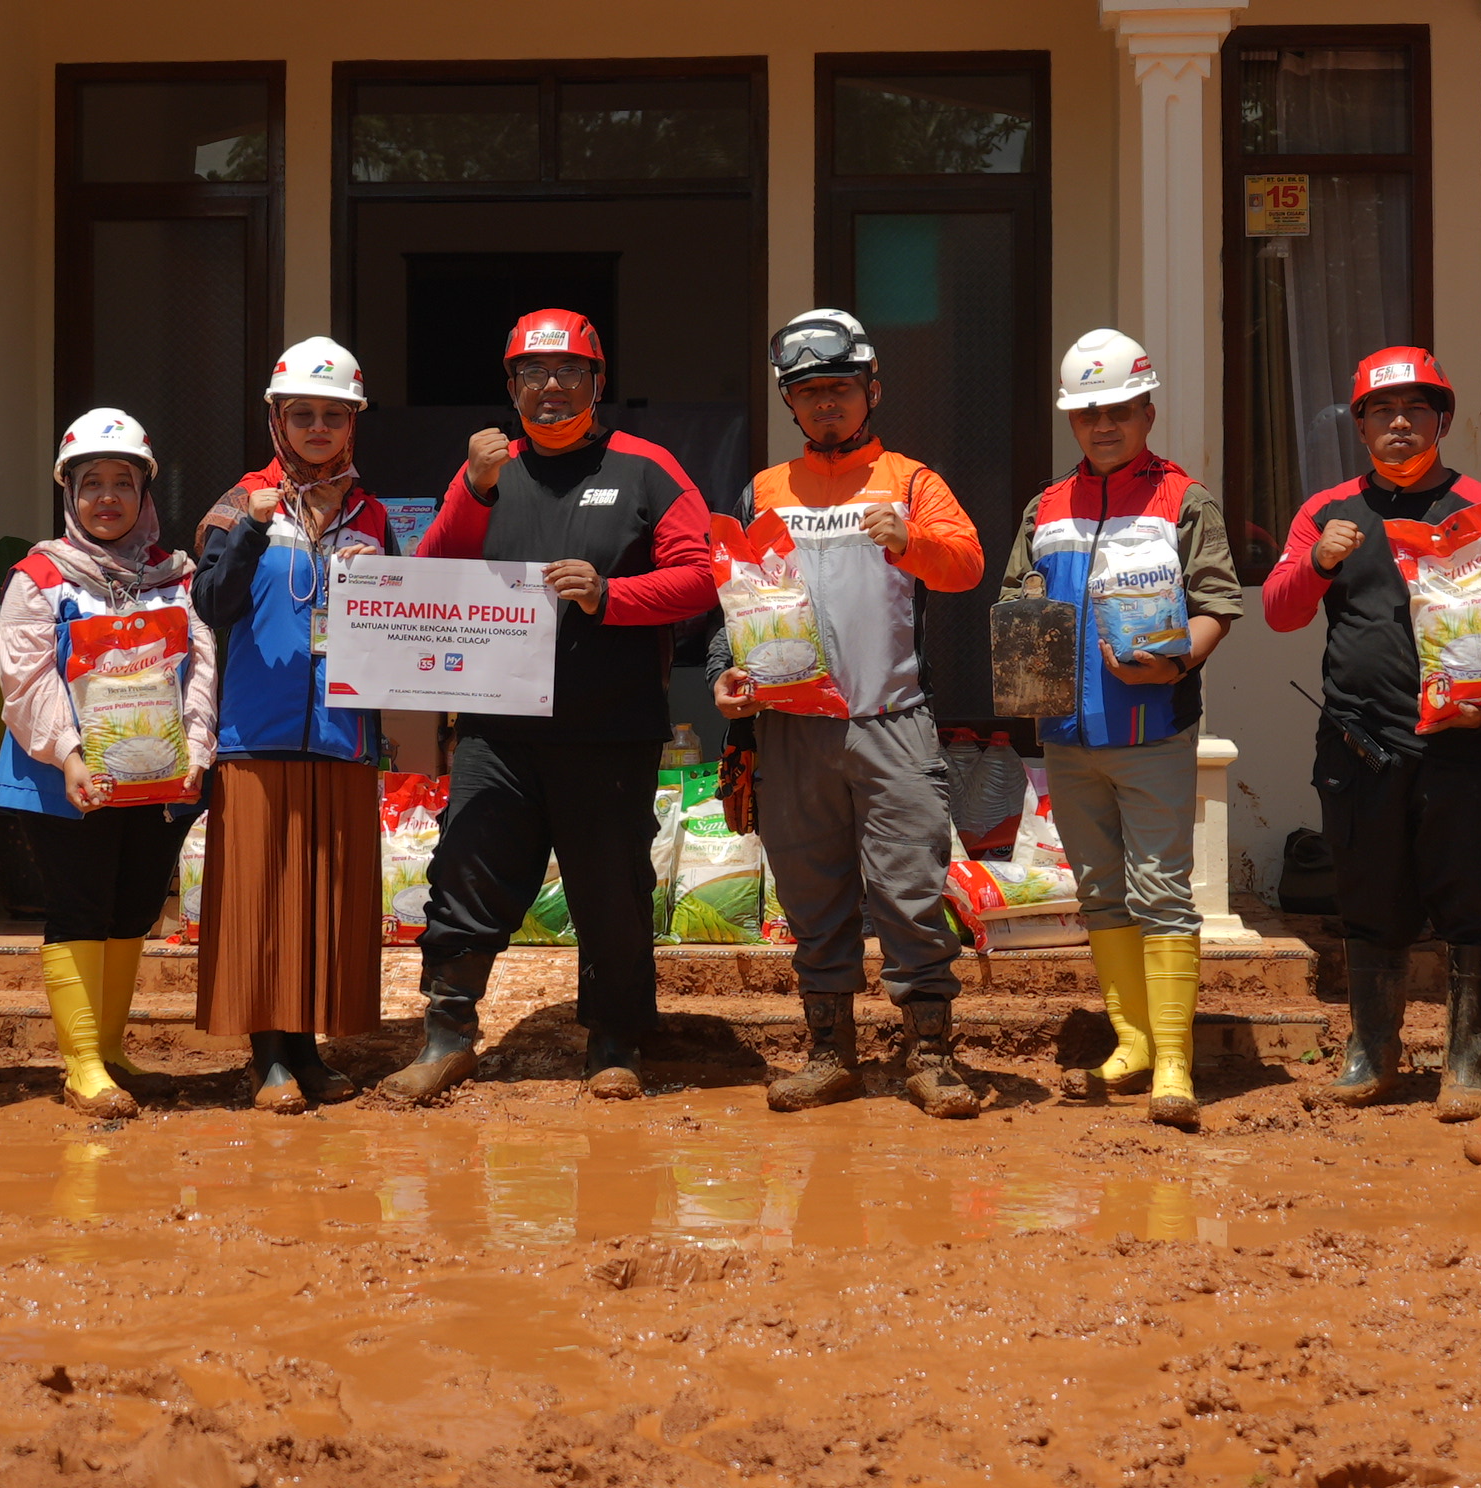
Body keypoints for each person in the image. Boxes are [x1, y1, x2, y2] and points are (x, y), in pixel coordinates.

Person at [387, 309, 714, 1104]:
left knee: (610, 887)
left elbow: (702, 577)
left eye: (570, 371)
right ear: (511, 387)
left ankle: (612, 1041)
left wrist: (613, 594)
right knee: (465, 869)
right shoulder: (489, 474)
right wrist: (472, 486)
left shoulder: (647, 469)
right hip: (497, 731)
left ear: (598, 383)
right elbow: (427, 575)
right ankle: (448, 1034)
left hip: (609, 728)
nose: (552, 387)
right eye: (532, 374)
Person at [1263, 347, 1481, 1121]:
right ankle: (1372, 1051)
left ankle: (1467, 1061)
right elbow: (1280, 610)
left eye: (1416, 410)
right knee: (1369, 899)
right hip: (1361, 745)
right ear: (1359, 424)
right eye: (1383, 411)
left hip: (1466, 745)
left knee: (1473, 901)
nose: (1400, 423)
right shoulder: (1327, 512)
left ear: (1443, 420)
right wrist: (1317, 563)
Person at [710, 310, 986, 1118]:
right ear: (790, 405)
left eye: (838, 389)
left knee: (909, 889)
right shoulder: (764, 490)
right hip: (792, 729)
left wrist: (909, 540)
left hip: (891, 719)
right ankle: (829, 1053)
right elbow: (736, 603)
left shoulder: (910, 480)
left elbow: (966, 565)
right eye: (808, 393)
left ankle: (929, 1055)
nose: (825, 405)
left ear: (871, 390)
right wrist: (730, 676)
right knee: (810, 895)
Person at [995, 330, 1243, 1130]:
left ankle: (1174, 1059)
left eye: (1119, 411)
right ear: (1073, 422)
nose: (1103, 426)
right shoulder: (1045, 506)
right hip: (1069, 739)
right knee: (1101, 891)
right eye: (1087, 413)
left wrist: (1174, 666)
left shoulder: (1185, 499)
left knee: (1162, 892)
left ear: (1148, 410)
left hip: (1156, 728)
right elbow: (1016, 600)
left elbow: (1217, 603)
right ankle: (1131, 1043)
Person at [0, 409, 218, 1121]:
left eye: (124, 482)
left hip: (157, 777)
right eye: (93, 483)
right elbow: (25, 678)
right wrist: (69, 753)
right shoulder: (40, 576)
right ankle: (82, 1064)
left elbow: (203, 667)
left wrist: (198, 747)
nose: (109, 497)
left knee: (134, 909)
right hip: (68, 779)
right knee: (79, 910)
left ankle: (112, 1050)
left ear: (146, 492)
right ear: (70, 493)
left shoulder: (176, 578)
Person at [191, 338, 392, 1113]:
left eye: (332, 416)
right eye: (301, 414)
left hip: (342, 735)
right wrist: (253, 527)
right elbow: (211, 605)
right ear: (276, 419)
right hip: (254, 732)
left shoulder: (372, 513)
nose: (317, 428)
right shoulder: (239, 501)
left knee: (322, 897)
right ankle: (266, 1058)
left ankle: (308, 1053)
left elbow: (399, 625)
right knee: (262, 897)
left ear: (351, 424)